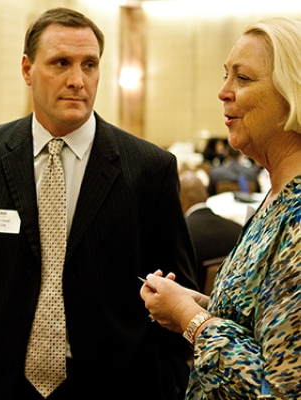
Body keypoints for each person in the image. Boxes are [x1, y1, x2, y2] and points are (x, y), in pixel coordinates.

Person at [0, 7, 197, 400]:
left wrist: (167, 381)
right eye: (61, 63)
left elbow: (178, 291)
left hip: (113, 387)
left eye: (89, 65)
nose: (77, 80)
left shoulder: (148, 167)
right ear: (27, 69)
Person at [140, 17, 301, 399]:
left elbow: (279, 390)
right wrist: (205, 306)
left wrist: (190, 319)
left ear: (292, 93)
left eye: (243, 79)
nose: (223, 92)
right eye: (226, 76)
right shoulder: (277, 198)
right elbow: (270, 327)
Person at [179, 170, 242, 291]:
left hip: (192, 303)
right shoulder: (238, 229)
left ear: (181, 203)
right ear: (206, 197)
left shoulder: (179, 237)